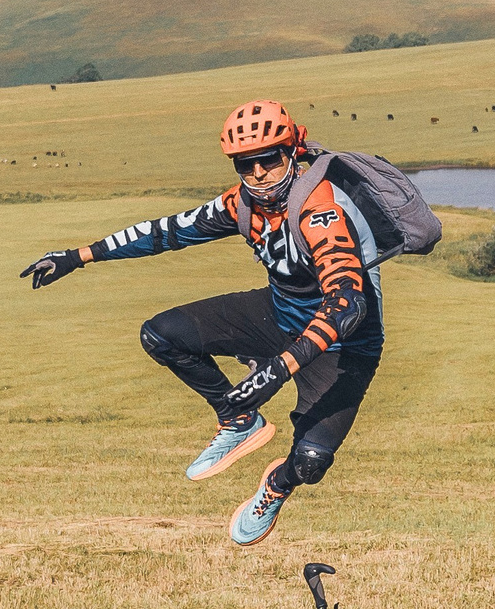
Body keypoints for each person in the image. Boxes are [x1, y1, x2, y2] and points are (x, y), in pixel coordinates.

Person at [21, 100, 382, 545]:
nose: (259, 173)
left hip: (344, 350)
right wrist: (78, 256)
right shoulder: (243, 204)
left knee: (310, 462)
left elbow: (348, 305)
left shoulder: (320, 211)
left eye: (269, 159)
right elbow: (166, 231)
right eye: (245, 165)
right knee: (161, 335)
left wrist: (279, 368)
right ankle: (239, 420)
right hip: (278, 316)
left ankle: (276, 486)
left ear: (292, 151)